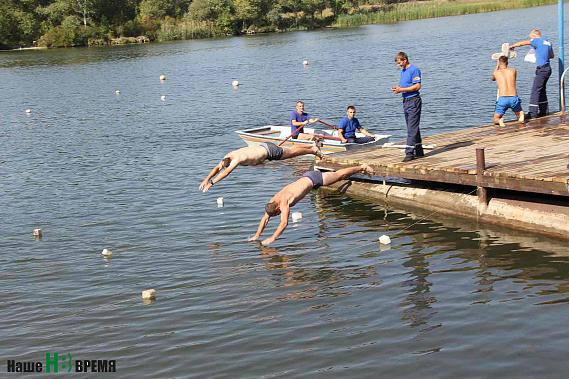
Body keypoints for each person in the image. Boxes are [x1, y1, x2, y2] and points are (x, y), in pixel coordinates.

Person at [248, 164, 374, 246]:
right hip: (306, 178)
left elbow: (284, 223)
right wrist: (256, 236)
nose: (278, 214)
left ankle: (361, 167)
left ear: (277, 208)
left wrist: (272, 238)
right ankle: (359, 170)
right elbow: (265, 219)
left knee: (340, 175)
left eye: (277, 213)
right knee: (338, 176)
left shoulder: (283, 202)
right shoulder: (273, 201)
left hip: (313, 179)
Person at [199, 142, 323, 192]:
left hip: (269, 152)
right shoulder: (229, 155)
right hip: (264, 147)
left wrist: (212, 183)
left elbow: (225, 173)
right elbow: (217, 168)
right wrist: (206, 179)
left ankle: (312, 150)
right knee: (290, 151)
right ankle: (311, 147)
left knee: (292, 153)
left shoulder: (236, 160)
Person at [510, 29, 554, 119]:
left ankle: (532, 113)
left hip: (541, 69)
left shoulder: (536, 40)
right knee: (542, 90)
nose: (531, 41)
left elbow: (523, 43)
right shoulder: (548, 42)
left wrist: (513, 46)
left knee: (535, 90)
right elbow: (552, 56)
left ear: (534, 36)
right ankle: (544, 111)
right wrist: (541, 54)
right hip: (548, 68)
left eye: (531, 38)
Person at [391, 52, 424, 162]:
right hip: (406, 101)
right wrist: (398, 88)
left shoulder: (414, 70)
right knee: (412, 126)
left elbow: (417, 86)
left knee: (411, 127)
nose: (398, 65)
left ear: (405, 59)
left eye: (399, 63)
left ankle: (409, 153)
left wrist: (402, 90)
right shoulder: (403, 71)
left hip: (414, 101)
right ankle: (419, 150)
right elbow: (406, 85)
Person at [492, 56, 525, 126]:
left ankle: (500, 120)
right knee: (518, 115)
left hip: (503, 99)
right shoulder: (513, 70)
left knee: (496, 119)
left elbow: (493, 78)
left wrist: (497, 66)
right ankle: (521, 115)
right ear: (507, 63)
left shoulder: (496, 73)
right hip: (513, 97)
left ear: (499, 63)